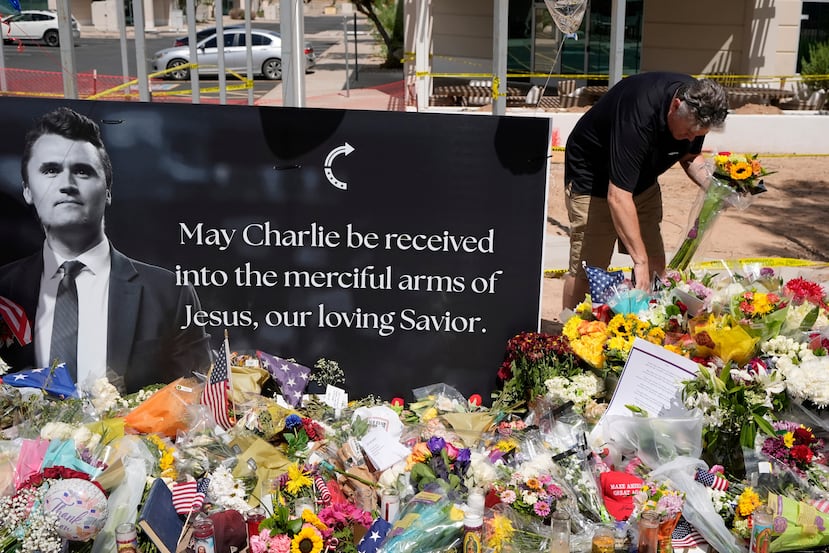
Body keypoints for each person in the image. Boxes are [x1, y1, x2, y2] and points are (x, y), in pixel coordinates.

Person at [0, 106, 212, 392]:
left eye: (82, 171)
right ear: (27, 189)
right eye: (50, 170)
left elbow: (201, 400)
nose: (67, 184)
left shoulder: (169, 293)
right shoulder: (4, 289)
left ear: (108, 190)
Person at [562, 72, 729, 310]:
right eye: (688, 132)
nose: (691, 138)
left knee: (656, 268)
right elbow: (618, 196)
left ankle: (646, 329)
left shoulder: (697, 105)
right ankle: (568, 334)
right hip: (593, 181)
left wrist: (718, 188)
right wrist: (638, 261)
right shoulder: (638, 115)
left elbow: (690, 157)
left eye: (698, 135)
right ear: (675, 105)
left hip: (642, 182)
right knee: (588, 269)